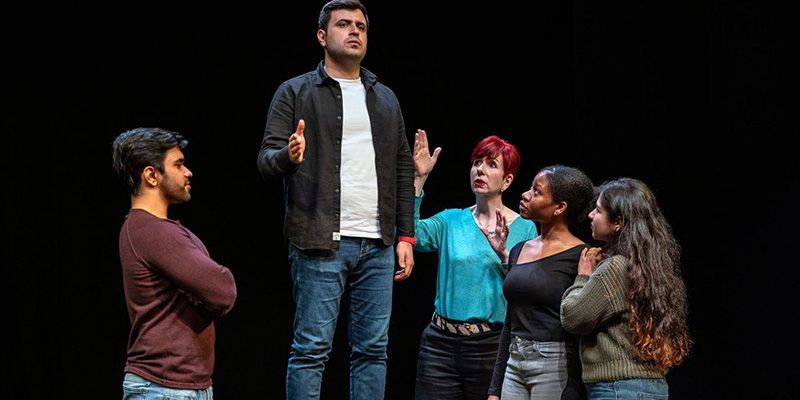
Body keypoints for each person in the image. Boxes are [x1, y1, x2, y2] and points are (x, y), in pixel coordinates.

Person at [255, 1, 416, 398]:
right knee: (311, 350)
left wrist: (406, 238)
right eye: (344, 24)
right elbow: (265, 161)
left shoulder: (386, 99)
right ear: (323, 36)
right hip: (319, 240)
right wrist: (288, 156)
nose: (355, 31)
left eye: (361, 25)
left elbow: (401, 170)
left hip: (378, 244)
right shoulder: (294, 92)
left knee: (373, 351)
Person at [111, 127, 237, 399]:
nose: (188, 172)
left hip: (178, 386)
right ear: (151, 175)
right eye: (178, 164)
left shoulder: (150, 230)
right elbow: (223, 291)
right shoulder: (153, 232)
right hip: (164, 388)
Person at [411, 131, 538, 400]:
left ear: (507, 180)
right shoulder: (451, 221)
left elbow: (527, 289)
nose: (480, 169)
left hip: (490, 347)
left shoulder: (524, 228)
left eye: (491, 164)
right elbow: (410, 234)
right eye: (476, 163)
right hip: (440, 345)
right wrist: (419, 180)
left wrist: (505, 255)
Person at [560, 178, 691, 399]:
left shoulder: (615, 267)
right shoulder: (649, 266)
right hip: (650, 387)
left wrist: (583, 276)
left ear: (617, 222)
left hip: (618, 389)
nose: (591, 215)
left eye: (599, 210)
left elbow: (573, 318)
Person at [486, 165, 594, 400]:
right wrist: (495, 388)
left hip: (554, 364)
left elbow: (582, 327)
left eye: (537, 192)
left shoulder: (581, 255)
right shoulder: (518, 250)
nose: (525, 195)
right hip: (515, 362)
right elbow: (510, 321)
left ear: (560, 207)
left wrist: (574, 386)